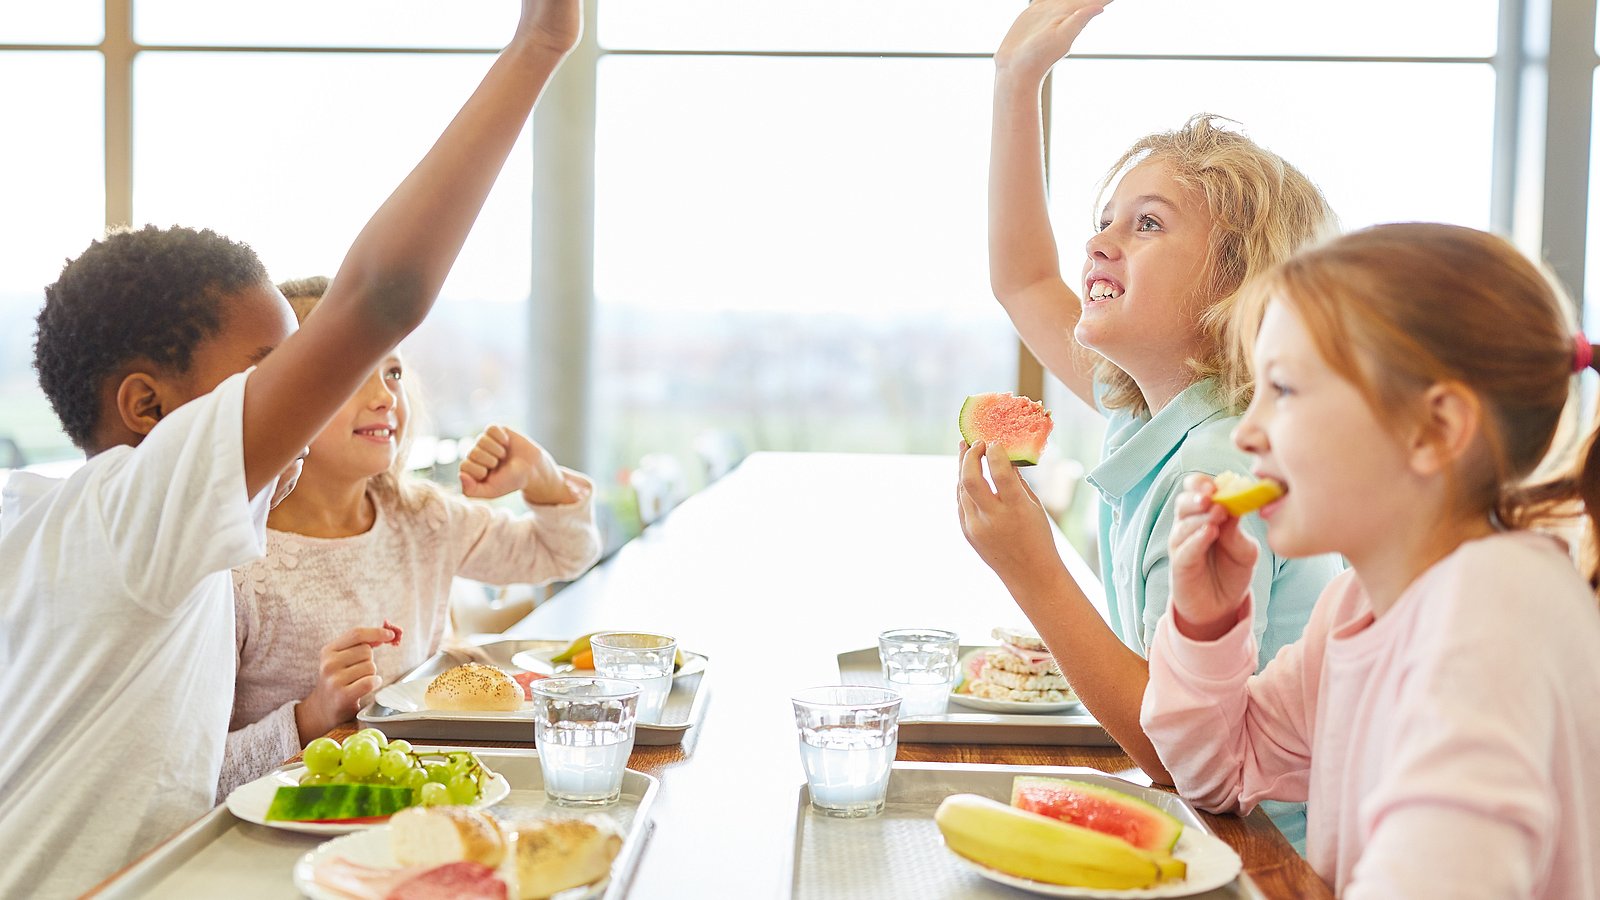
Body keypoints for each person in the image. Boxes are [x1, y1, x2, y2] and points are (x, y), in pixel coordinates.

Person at [0, 2, 583, 895]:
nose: (301, 402)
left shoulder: (58, 520)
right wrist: (539, 44)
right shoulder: (137, 511)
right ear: (149, 408)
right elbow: (381, 293)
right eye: (273, 375)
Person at [955, 0, 1343, 847]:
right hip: (1223, 829)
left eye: (1148, 224)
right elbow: (1023, 277)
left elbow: (1174, 755)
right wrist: (1015, 82)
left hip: (1274, 852)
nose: (1099, 242)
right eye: (1105, 217)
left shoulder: (1218, 463)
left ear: (1233, 287)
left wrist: (1032, 569)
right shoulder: (1159, 405)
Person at [1144, 223, 1600, 897]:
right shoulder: (1360, 604)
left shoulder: (1491, 611)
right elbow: (1222, 773)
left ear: (1433, 430)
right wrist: (1205, 624)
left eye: (1285, 390)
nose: (1246, 431)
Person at [220, 277, 600, 797]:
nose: (384, 397)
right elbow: (200, 774)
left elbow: (565, 552)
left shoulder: (421, 518)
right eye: (353, 372)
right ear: (278, 394)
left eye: (393, 371)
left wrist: (543, 477)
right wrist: (309, 719)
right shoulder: (235, 564)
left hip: (426, 799)